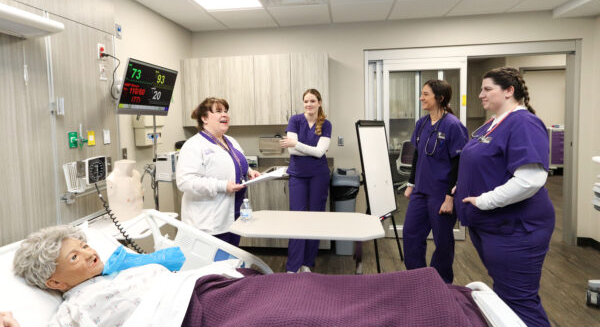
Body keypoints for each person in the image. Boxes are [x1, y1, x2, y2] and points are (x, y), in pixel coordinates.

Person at [13, 225, 487, 327]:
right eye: (75, 257)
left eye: (84, 246)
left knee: (309, 285)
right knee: (307, 314)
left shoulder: (112, 273)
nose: (90, 254)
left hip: (214, 291)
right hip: (197, 317)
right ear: (54, 281)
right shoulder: (73, 311)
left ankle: (431, 293)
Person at [454, 67, 554, 326]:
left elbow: (529, 181)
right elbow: (488, 163)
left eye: (487, 89)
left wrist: (484, 200)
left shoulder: (524, 123)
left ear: (509, 91)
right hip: (492, 226)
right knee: (506, 297)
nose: (480, 95)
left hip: (516, 228)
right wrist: (463, 186)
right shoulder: (494, 123)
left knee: (519, 302)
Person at [402, 79, 468, 284]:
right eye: (422, 93)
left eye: (426, 94)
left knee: (443, 241)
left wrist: (450, 197)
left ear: (439, 98)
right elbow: (417, 156)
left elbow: (460, 164)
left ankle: (442, 285)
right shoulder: (421, 123)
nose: (421, 97)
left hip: (441, 193)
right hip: (421, 190)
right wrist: (411, 184)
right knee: (411, 235)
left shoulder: (453, 126)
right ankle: (417, 280)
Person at [177, 97, 260, 246]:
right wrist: (222, 186)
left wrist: (250, 172)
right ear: (204, 118)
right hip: (209, 220)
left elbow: (238, 163)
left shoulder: (230, 140)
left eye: (226, 111)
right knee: (214, 265)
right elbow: (185, 182)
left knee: (230, 260)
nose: (225, 115)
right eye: (218, 111)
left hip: (234, 213)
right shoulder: (193, 145)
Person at [280, 88, 332, 273]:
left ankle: (307, 263)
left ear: (319, 102)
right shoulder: (295, 120)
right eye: (306, 101)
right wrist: (302, 148)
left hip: (319, 175)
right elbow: (292, 151)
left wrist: (297, 144)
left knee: (315, 218)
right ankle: (293, 267)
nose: (309, 104)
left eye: (312, 101)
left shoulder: (326, 124)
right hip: (298, 175)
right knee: (297, 219)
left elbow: (320, 152)